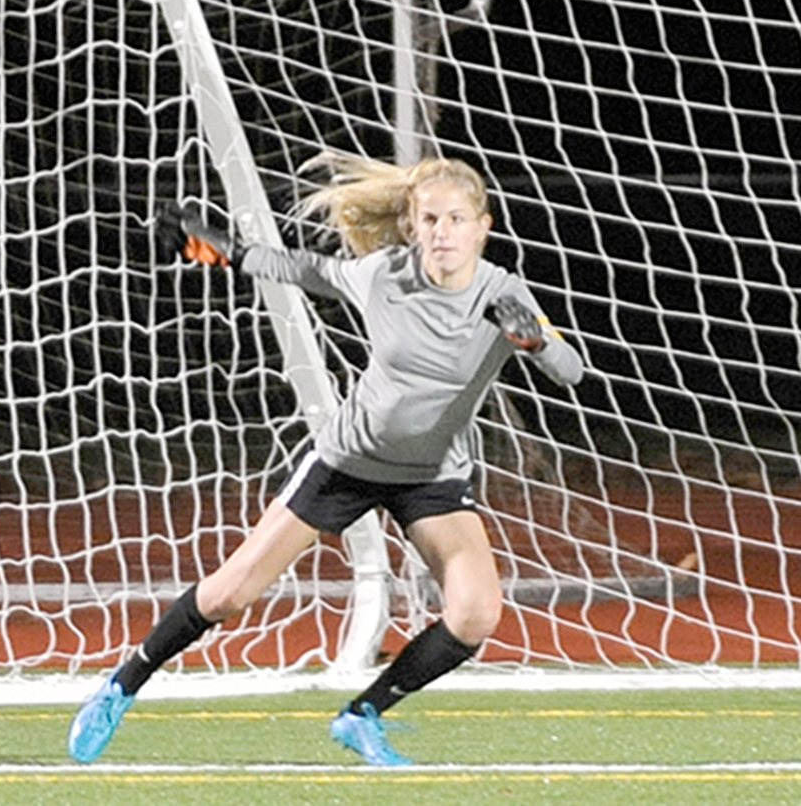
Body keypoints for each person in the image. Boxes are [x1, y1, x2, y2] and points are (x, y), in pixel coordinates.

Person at [67, 154, 584, 766]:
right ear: (412, 226)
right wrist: (224, 250)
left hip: (433, 478)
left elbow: (571, 371)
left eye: (456, 219)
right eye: (429, 220)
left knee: (475, 615)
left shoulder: (502, 294)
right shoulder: (383, 274)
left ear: (482, 227)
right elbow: (304, 268)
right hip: (349, 462)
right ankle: (119, 687)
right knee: (231, 593)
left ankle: (362, 716)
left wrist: (535, 341)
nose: (443, 232)